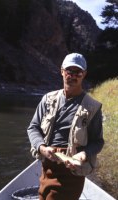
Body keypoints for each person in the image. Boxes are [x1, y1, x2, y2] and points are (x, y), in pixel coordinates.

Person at [27, 53, 104, 200]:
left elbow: (98, 142)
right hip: (48, 164)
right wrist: (42, 148)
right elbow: (33, 127)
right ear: (62, 71)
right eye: (69, 71)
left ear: (84, 74)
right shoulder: (47, 100)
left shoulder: (93, 107)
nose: (73, 76)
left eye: (78, 72)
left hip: (73, 171)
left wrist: (84, 154)